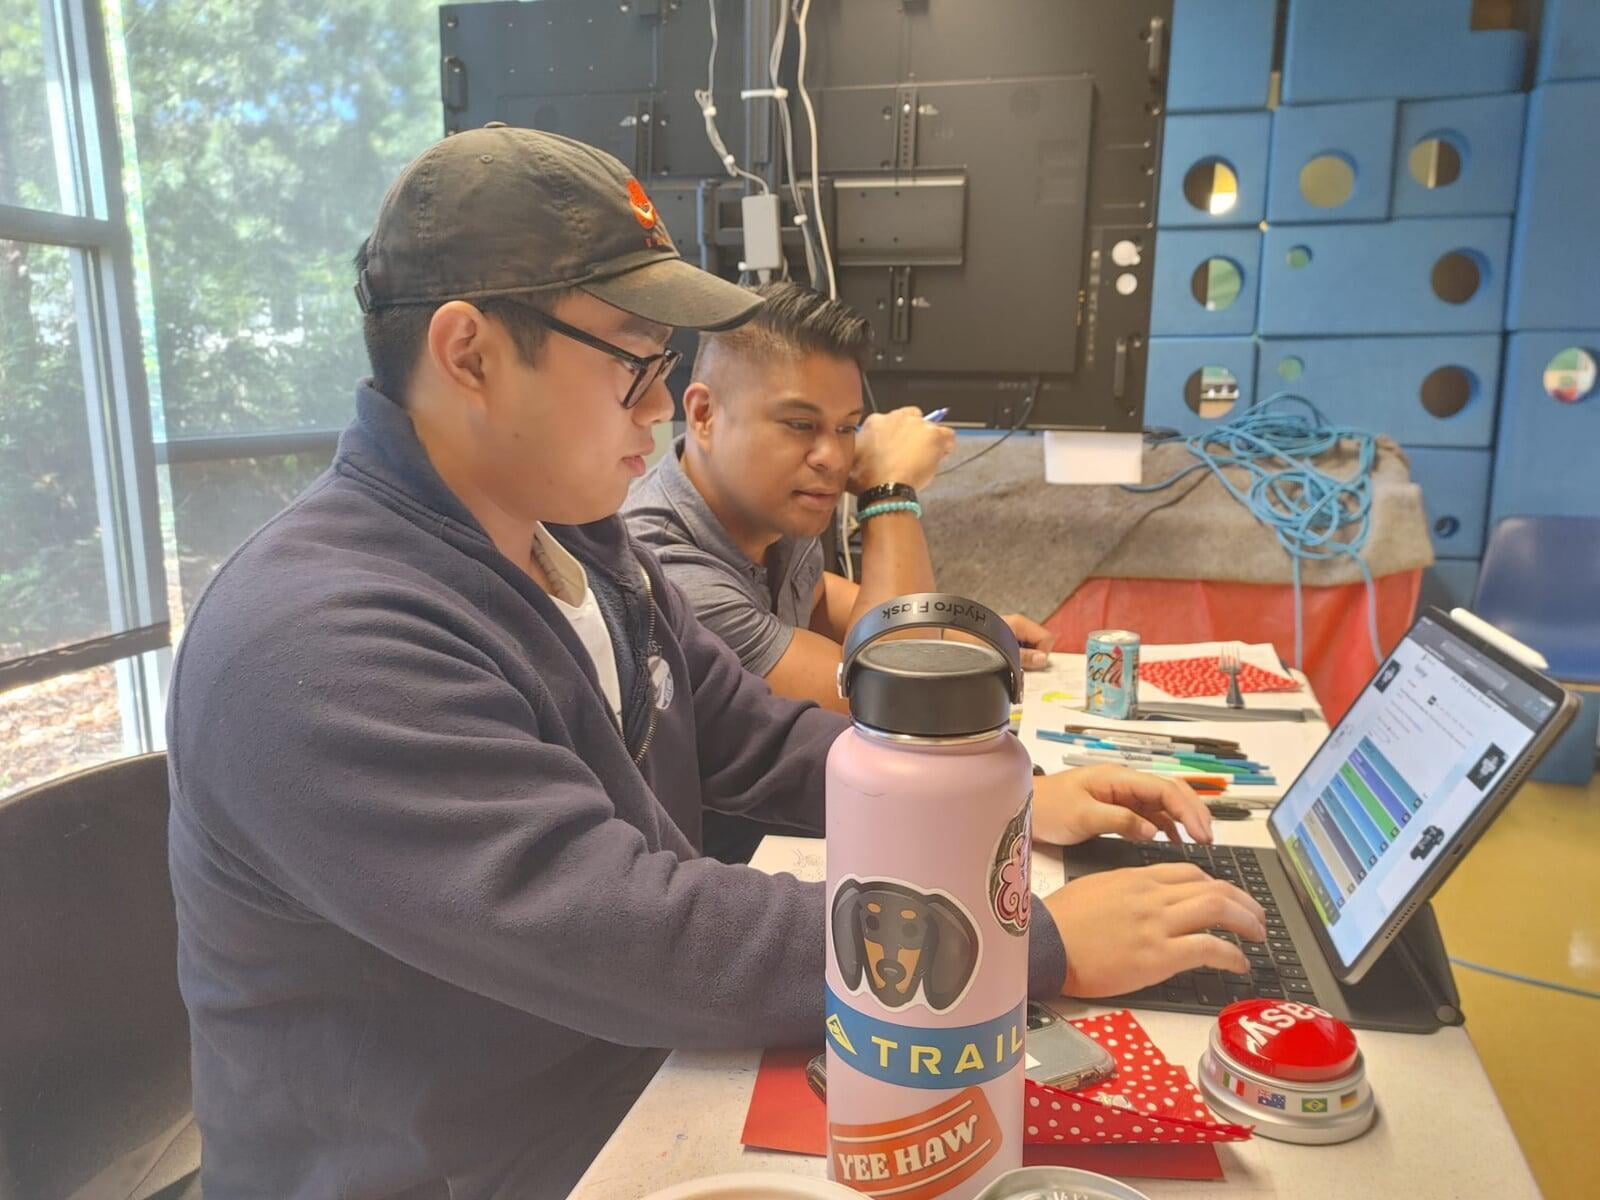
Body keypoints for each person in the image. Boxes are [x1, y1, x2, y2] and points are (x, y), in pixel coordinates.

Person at [165, 124, 1264, 1200]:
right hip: (478, 1154)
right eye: (635, 366)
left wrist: (1006, 802)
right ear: (470, 355)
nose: (658, 409)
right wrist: (1008, 944)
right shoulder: (317, 642)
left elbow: (748, 730)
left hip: (625, 1072)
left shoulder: (575, 541)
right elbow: (628, 933)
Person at [624, 282, 1056, 718]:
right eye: (799, 424)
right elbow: (895, 699)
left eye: (847, 428)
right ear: (704, 415)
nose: (832, 458)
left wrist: (960, 633)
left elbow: (814, 594)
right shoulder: (667, 573)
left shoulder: (768, 508)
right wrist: (889, 490)